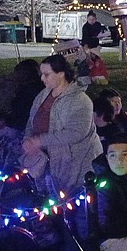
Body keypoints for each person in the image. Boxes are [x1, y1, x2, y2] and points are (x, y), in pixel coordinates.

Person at [22, 54, 103, 197]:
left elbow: (75, 133)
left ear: (61, 74)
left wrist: (39, 140)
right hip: (47, 161)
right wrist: (28, 139)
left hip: (75, 164)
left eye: (47, 74)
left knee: (73, 201)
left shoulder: (80, 100)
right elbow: (32, 119)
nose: (42, 78)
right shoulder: (43, 95)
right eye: (42, 74)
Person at [0, 59, 43, 169]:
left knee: (0, 133)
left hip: (25, 131)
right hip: (24, 126)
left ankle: (4, 166)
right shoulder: (36, 87)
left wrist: (4, 121)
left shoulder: (28, 92)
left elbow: (21, 117)